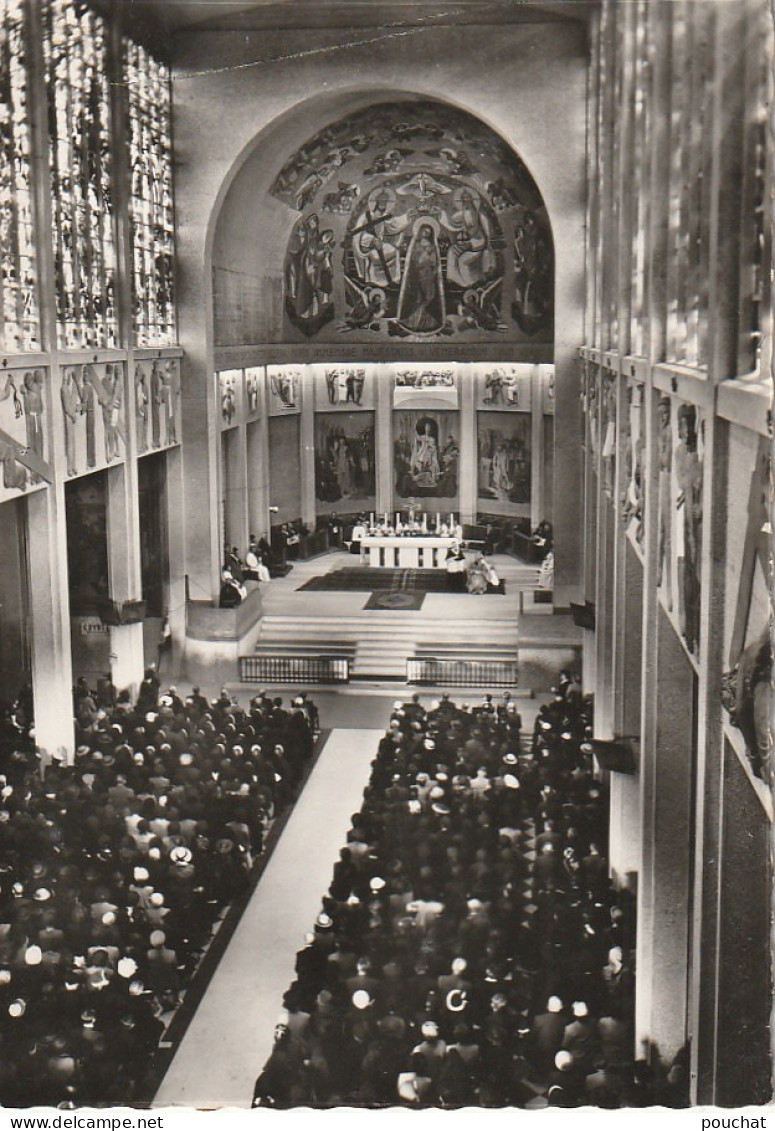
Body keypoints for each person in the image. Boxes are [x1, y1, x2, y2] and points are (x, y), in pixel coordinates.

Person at [395, 222, 445, 334]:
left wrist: (431, 264)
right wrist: (422, 259)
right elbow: (413, 261)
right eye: (424, 231)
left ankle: (425, 320)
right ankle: (414, 321)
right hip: (419, 274)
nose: (426, 233)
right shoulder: (416, 245)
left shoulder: (432, 246)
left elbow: (434, 262)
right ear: (420, 231)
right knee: (420, 297)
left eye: (428, 231)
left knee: (430, 296)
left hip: (429, 275)